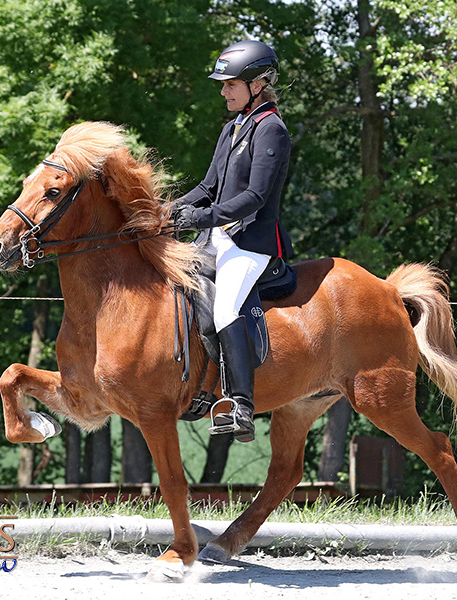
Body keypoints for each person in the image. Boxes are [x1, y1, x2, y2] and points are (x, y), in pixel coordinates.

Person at [173, 39, 294, 443]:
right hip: (218, 238)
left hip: (251, 244)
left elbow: (254, 198)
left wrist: (202, 217)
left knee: (225, 307)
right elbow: (209, 187)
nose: (223, 91)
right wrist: (167, 211)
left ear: (257, 84)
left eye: (230, 85)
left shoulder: (271, 129)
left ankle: (241, 405)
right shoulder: (233, 127)